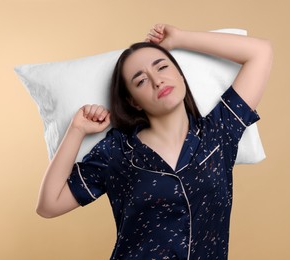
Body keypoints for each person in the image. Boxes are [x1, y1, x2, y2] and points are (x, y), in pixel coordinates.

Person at [36, 24, 273, 259]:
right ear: (134, 102)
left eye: (162, 67)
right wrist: (76, 130)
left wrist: (179, 38)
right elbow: (48, 204)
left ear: (180, 75)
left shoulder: (219, 132)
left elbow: (260, 52)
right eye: (140, 81)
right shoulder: (116, 152)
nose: (157, 81)